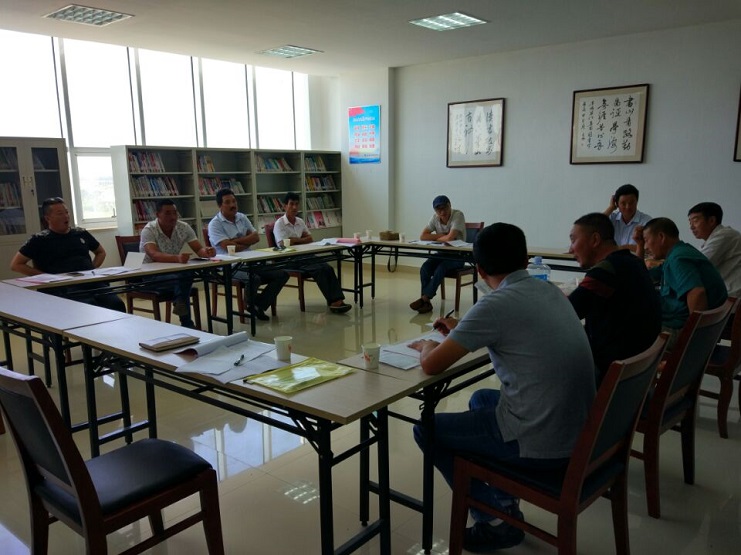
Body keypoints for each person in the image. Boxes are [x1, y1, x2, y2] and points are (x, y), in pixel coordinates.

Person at [409, 222, 595, 552]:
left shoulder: (495, 305)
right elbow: (511, 329)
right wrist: (463, 329)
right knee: (482, 397)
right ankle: (503, 501)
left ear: (479, 269)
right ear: (526, 260)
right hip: (578, 433)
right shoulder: (549, 290)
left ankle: (495, 521)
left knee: (426, 429)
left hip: (541, 442)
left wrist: (427, 345)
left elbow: (431, 365)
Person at [567, 213, 661, 384]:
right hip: (637, 372)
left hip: (612, 374)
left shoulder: (606, 271)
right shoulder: (633, 262)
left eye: (573, 240)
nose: (570, 249)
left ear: (595, 240)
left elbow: (567, 313)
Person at [10, 197, 125, 312]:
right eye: (60, 214)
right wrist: (45, 276)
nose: (66, 216)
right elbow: (16, 264)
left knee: (116, 304)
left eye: (67, 212)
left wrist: (91, 269)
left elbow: (100, 252)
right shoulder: (39, 239)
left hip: (90, 282)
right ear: (47, 218)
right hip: (63, 287)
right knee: (88, 307)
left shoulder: (81, 233)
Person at [635, 217, 727, 345]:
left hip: (678, 330)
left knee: (621, 328)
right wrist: (639, 245)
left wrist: (692, 339)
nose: (645, 247)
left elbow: (697, 293)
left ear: (661, 237)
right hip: (679, 323)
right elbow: (642, 277)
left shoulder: (678, 259)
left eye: (646, 240)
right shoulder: (679, 253)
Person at [208, 188, 289, 321]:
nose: (232, 205)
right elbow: (227, 247)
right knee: (254, 278)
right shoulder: (214, 224)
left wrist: (235, 241)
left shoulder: (242, 217)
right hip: (229, 266)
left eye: (234, 201)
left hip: (249, 260)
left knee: (282, 274)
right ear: (220, 206)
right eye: (227, 202)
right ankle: (251, 305)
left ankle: (257, 305)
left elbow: (256, 237)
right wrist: (245, 242)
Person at [139, 198, 216, 328]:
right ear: (158, 215)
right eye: (168, 213)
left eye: (175, 213)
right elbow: (154, 254)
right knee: (182, 279)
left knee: (186, 275)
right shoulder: (149, 230)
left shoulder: (183, 227)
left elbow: (198, 249)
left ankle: (179, 302)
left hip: (174, 272)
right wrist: (177, 259)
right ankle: (187, 323)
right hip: (151, 276)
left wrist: (207, 252)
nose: (173, 217)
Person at [272, 192, 351, 313]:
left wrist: (294, 240)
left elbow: (310, 239)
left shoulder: (300, 221)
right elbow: (282, 244)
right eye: (291, 204)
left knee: (328, 267)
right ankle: (334, 302)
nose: (294, 207)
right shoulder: (280, 223)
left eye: (296, 204)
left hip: (304, 254)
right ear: (285, 206)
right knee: (319, 270)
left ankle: (338, 300)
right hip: (288, 258)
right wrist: (300, 240)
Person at [409, 195, 466, 314]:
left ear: (450, 206)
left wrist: (437, 237)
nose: (442, 212)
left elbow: (450, 238)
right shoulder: (435, 218)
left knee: (441, 267)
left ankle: (424, 298)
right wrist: (442, 236)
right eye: (438, 209)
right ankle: (426, 303)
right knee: (425, 267)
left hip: (458, 255)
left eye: (444, 208)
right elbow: (423, 236)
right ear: (435, 210)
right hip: (442, 253)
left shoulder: (458, 215)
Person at [687, 202, 741, 298]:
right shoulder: (711, 241)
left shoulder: (724, 236)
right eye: (690, 222)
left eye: (695, 221)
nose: (691, 227)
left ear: (711, 220)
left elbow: (697, 265)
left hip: (734, 297)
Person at [602, 183, 652, 249]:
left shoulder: (647, 221)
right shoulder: (612, 218)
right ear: (617, 204)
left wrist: (622, 248)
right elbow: (595, 227)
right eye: (623, 203)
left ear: (637, 202)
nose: (627, 207)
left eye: (631, 203)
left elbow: (649, 248)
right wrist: (611, 207)